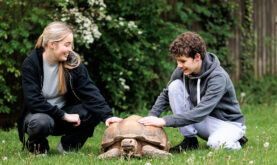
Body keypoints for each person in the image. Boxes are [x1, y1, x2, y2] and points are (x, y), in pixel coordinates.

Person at [17, 21, 122, 154]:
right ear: (52, 45)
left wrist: (107, 116)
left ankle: (67, 147)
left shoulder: (72, 63)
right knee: (40, 122)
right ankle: (38, 149)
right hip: (40, 115)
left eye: (71, 45)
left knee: (92, 112)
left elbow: (90, 92)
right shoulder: (30, 64)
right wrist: (64, 115)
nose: (70, 49)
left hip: (64, 115)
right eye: (66, 45)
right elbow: (34, 101)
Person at [139, 32, 248, 152]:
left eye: (183, 61)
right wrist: (150, 118)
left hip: (227, 123)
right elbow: (166, 95)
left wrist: (164, 120)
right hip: (203, 121)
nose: (179, 65)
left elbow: (201, 112)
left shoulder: (218, 77)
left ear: (197, 57)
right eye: (177, 61)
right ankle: (190, 140)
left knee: (217, 144)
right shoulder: (182, 70)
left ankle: (236, 140)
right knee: (174, 86)